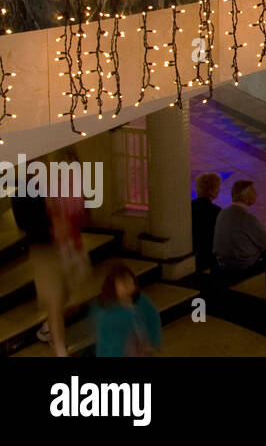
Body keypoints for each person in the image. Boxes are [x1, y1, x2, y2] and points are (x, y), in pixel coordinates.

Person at [12, 151, 90, 357]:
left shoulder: (55, 186)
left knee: (67, 294)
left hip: (64, 248)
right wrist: (52, 229)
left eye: (43, 161)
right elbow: (25, 225)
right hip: (44, 252)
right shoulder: (23, 193)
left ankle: (50, 329)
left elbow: (77, 211)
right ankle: (60, 349)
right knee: (54, 299)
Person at [212, 180, 266, 297]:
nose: (256, 194)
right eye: (253, 192)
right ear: (245, 198)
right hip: (239, 265)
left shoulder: (222, 213)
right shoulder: (247, 218)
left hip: (221, 262)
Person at [91, 264, 162, 357]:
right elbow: (105, 344)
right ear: (112, 286)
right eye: (123, 282)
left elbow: (153, 318)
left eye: (129, 279)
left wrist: (153, 340)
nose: (128, 284)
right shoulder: (108, 314)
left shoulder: (141, 300)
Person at [191, 171, 222, 274]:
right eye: (217, 187)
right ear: (211, 190)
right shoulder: (216, 211)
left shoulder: (189, 207)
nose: (219, 190)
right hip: (208, 255)